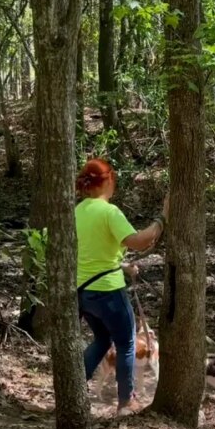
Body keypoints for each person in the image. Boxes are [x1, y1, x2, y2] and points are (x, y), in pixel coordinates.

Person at [75, 158, 166, 415]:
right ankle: (126, 401)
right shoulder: (109, 212)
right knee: (126, 342)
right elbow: (138, 241)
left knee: (102, 338)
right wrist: (162, 219)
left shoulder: (77, 211)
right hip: (108, 289)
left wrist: (122, 265)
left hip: (84, 291)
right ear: (108, 181)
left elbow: (94, 252)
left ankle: (73, 390)